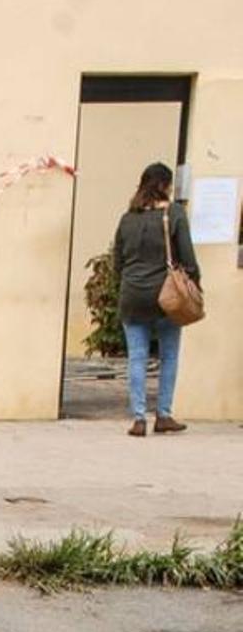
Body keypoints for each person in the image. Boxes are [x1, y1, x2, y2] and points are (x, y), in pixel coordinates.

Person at [113, 162, 201, 436]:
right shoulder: (174, 214)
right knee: (169, 356)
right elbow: (188, 257)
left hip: (132, 295)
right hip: (167, 297)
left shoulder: (127, 218)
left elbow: (117, 262)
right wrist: (195, 285)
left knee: (137, 358)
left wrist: (131, 280)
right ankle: (163, 415)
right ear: (165, 186)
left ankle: (139, 419)